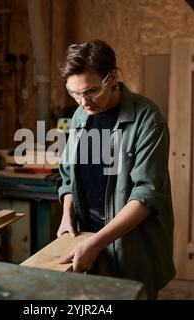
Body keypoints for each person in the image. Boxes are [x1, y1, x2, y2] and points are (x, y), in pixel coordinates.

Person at [56, 40, 176, 299]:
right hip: (86, 233)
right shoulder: (80, 117)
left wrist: (97, 242)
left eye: (90, 91)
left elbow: (146, 195)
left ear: (113, 78)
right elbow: (69, 176)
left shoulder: (147, 119)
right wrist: (68, 215)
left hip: (130, 242)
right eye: (74, 92)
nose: (83, 102)